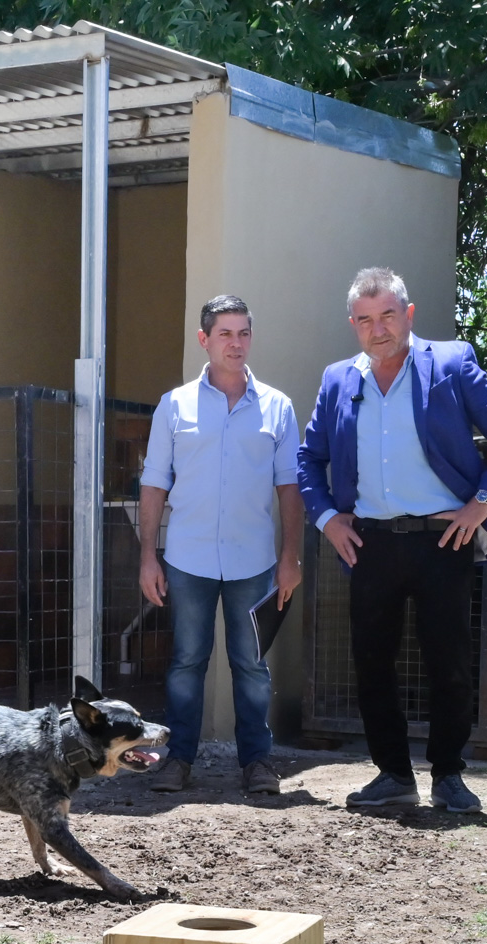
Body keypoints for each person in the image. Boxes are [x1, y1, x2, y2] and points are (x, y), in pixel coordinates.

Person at [299, 268, 487, 814]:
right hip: (369, 542)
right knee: (371, 661)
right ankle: (392, 775)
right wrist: (328, 519)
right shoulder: (338, 379)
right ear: (352, 325)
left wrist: (484, 502)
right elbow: (309, 459)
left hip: (443, 540)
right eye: (364, 320)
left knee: (448, 660)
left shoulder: (451, 363)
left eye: (386, 316)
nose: (377, 329)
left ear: (408, 314)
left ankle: (449, 775)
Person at [137, 294, 304, 796]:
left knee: (252, 665)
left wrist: (290, 556)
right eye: (226, 334)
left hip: (254, 561)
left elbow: (290, 488)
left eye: (244, 333)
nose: (236, 343)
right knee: (187, 661)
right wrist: (149, 555)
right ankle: (178, 760)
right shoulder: (175, 405)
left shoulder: (278, 407)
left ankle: (257, 763)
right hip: (186, 559)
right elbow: (153, 484)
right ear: (204, 340)